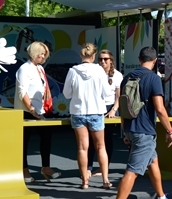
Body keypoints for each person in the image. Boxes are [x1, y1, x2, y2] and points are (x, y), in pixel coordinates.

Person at [104, 46, 172, 199]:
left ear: (139, 58)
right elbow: (159, 109)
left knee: (153, 162)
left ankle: (161, 198)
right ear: (155, 61)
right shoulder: (153, 78)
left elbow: (122, 105)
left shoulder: (128, 77)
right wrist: (169, 130)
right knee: (133, 170)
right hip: (144, 130)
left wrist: (125, 131)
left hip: (130, 128)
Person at [63, 43, 113, 190]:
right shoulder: (100, 71)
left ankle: (84, 181)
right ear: (93, 56)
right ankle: (105, 180)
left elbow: (66, 94)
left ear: (81, 55)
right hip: (96, 111)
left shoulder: (73, 71)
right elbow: (107, 94)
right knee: (101, 147)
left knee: (82, 148)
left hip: (78, 111)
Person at [14, 41, 61, 183]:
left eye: (45, 54)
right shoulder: (24, 69)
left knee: (46, 137)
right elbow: (22, 92)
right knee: (24, 141)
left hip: (40, 110)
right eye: (41, 53)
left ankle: (46, 167)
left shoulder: (40, 68)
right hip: (26, 110)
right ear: (34, 53)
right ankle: (24, 170)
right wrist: (31, 109)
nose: (43, 56)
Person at [88, 50, 123, 176]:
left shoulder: (117, 75)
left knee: (107, 139)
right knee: (92, 139)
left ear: (111, 60)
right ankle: (88, 167)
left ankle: (104, 167)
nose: (103, 61)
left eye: (106, 59)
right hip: (95, 108)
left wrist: (113, 110)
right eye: (100, 59)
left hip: (110, 108)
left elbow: (119, 96)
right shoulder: (94, 73)